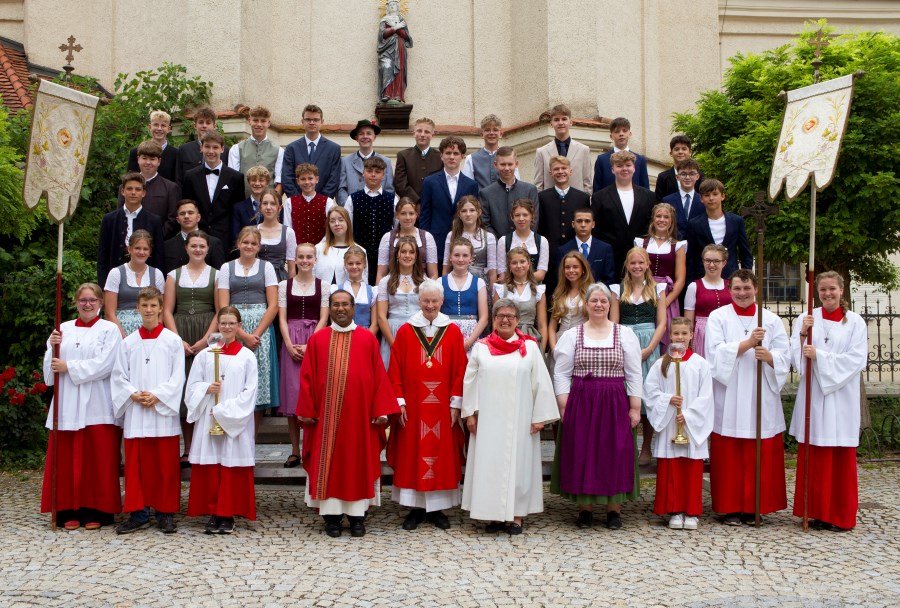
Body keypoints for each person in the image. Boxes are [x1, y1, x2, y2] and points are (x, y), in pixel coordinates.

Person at [297, 290, 400, 538]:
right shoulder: (318, 340)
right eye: (335, 305)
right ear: (329, 308)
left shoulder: (367, 339)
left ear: (354, 308)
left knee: (358, 463)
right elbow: (307, 377)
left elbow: (378, 377)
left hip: (360, 418)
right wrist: (307, 410)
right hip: (325, 418)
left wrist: (381, 410)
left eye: (345, 304)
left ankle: (357, 518)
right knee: (328, 464)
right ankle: (331, 518)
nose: (340, 309)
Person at [462, 300, 558, 534]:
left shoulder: (530, 347)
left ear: (517, 320)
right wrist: (470, 414)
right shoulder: (481, 347)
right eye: (500, 315)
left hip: (521, 417)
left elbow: (541, 382)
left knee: (520, 466)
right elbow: (470, 381)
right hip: (488, 419)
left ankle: (516, 515)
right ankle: (492, 515)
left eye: (510, 316)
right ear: (493, 319)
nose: (505, 320)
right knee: (489, 465)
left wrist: (540, 416)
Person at [552, 283, 643, 530]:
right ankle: (585, 509)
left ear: (610, 304)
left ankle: (614, 509)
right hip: (582, 399)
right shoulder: (572, 335)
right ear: (587, 304)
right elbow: (561, 373)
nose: (599, 305)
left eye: (603, 301)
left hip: (614, 399)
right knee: (584, 450)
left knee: (614, 450)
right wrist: (564, 404)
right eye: (594, 301)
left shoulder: (624, 334)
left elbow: (634, 373)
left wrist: (634, 407)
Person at [705, 270, 789, 526]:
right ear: (730, 290)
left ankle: (755, 506)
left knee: (758, 450)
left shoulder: (771, 320)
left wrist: (771, 358)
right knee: (729, 452)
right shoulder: (718, 317)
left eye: (747, 288)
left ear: (756, 289)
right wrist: (748, 343)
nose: (742, 293)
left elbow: (785, 354)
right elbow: (714, 354)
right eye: (737, 289)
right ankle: (730, 507)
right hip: (729, 394)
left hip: (759, 392)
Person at [41, 283, 123, 531]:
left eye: (92, 300)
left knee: (96, 459)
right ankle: (67, 509)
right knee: (66, 459)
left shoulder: (109, 330)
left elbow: (106, 364)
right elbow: (49, 368)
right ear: (76, 302)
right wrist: (53, 348)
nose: (87, 304)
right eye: (83, 300)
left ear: (100, 302)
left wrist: (70, 367)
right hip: (67, 402)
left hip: (97, 402)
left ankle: (95, 509)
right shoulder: (62, 329)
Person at [790, 271, 868, 531]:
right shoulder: (808, 318)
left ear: (841, 290)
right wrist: (802, 335)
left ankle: (839, 514)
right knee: (815, 454)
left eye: (832, 289)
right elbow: (795, 359)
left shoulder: (855, 322)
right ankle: (814, 512)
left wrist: (820, 356)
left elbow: (857, 359)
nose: (827, 294)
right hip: (813, 394)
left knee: (838, 456)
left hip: (840, 396)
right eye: (822, 290)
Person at [387, 279, 467, 530]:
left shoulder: (452, 331)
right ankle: (415, 508)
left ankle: (437, 509)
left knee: (441, 453)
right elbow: (395, 368)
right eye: (426, 301)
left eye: (435, 301)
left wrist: (456, 403)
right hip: (413, 406)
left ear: (442, 302)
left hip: (443, 408)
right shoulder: (406, 330)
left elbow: (460, 370)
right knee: (412, 452)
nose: (430, 305)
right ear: (419, 301)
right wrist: (399, 401)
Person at [110, 287, 186, 534]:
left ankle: (165, 512)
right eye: (145, 306)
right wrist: (132, 394)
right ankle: (138, 512)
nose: (149, 310)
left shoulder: (173, 341)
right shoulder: (128, 343)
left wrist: (159, 395)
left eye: (154, 305)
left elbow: (178, 377)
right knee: (137, 466)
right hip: (137, 411)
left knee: (165, 465)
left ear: (161, 308)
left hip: (162, 412)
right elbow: (118, 376)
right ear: (138, 309)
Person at [185, 306, 259, 534]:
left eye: (231, 323)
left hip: (233, 419)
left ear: (239, 326)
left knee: (230, 464)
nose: (227, 327)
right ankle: (214, 512)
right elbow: (191, 387)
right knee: (212, 465)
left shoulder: (246, 356)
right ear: (217, 326)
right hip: (209, 416)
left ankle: (228, 514)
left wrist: (225, 411)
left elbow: (250, 392)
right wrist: (207, 388)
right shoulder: (205, 355)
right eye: (223, 323)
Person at [644, 317, 715, 530]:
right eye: (676, 334)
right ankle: (674, 510)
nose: (680, 338)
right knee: (672, 468)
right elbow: (651, 392)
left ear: (692, 335)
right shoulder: (660, 364)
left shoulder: (700, 364)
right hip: (669, 425)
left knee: (691, 468)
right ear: (670, 336)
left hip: (690, 426)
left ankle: (692, 511)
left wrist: (690, 415)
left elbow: (706, 396)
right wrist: (667, 400)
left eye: (684, 334)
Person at [163, 229, 220, 468]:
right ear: (186, 248)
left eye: (202, 246)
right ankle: (187, 449)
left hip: (206, 330)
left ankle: (204, 445)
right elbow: (166, 310)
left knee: (206, 386)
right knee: (186, 388)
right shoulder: (174, 275)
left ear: (208, 249)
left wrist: (206, 339)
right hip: (181, 331)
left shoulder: (216, 274)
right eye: (193, 246)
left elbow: (219, 310)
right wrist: (177, 340)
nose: (198, 250)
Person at [217, 227, 280, 431]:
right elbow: (224, 306)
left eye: (253, 243)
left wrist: (255, 335)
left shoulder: (267, 267)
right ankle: (231, 428)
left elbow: (273, 305)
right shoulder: (227, 267)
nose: (249, 246)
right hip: (232, 327)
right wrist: (240, 333)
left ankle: (251, 436)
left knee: (257, 381)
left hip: (260, 330)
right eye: (245, 242)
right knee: (234, 378)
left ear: (258, 246)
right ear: (238, 244)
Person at [610, 247, 668, 466]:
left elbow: (661, 323)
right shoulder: (617, 289)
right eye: (632, 263)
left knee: (647, 394)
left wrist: (650, 348)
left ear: (647, 265)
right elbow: (614, 323)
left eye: (640, 263)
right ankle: (629, 444)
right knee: (626, 395)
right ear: (627, 264)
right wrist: (622, 349)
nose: (636, 267)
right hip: (625, 340)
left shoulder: (657, 289)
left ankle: (646, 447)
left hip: (649, 342)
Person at [278, 243, 330, 469]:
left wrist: (311, 344)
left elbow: (323, 318)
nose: (305, 260)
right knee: (292, 394)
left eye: (309, 257)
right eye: (301, 257)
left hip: (314, 340)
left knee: (314, 393)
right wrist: (289, 344)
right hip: (290, 337)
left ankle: (315, 446)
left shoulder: (324, 286)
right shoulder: (284, 285)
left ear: (315, 260)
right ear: (296, 260)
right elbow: (281, 317)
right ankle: (294, 450)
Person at [590, 150, 656, 274]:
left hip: (640, 258)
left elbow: (651, 225)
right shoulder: (600, 197)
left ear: (634, 168)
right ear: (612, 169)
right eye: (619, 166)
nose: (624, 169)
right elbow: (596, 229)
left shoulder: (649, 196)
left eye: (628, 165)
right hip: (611, 257)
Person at [97, 172, 166, 287]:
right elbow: (102, 256)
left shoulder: (154, 220)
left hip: (146, 279)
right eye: (129, 189)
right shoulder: (109, 219)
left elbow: (159, 256)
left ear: (143, 193)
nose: (133, 193)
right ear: (122, 191)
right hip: (115, 279)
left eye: (138, 189)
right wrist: (103, 286)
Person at [419, 136, 479, 262]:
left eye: (456, 153)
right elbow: (425, 214)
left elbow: (474, 216)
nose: (452, 157)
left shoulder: (471, 185)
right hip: (436, 241)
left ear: (462, 156)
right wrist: (425, 242)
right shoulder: (430, 182)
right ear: (441, 156)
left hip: (463, 242)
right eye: (448, 153)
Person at [181, 131, 246, 247]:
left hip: (225, 239)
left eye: (215, 147)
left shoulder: (236, 177)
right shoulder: (190, 176)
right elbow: (187, 206)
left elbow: (237, 211)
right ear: (201, 148)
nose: (211, 151)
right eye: (207, 147)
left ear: (222, 149)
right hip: (197, 238)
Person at [635, 203, 687, 348]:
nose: (662, 219)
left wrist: (665, 302)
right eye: (658, 216)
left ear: (671, 221)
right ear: (653, 219)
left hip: (667, 295)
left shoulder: (677, 245)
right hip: (644, 292)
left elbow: (680, 279)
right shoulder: (641, 243)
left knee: (666, 335)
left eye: (666, 217)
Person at [537, 155, 591, 292]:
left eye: (564, 168)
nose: (560, 171)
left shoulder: (582, 197)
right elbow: (540, 226)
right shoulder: (542, 197)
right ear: (551, 173)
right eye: (556, 169)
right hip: (550, 255)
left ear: (570, 171)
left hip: (574, 253)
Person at [685, 179, 753, 284]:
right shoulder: (694, 224)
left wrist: (745, 278)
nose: (711, 198)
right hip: (703, 278)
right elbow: (690, 257)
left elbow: (745, 253)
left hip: (730, 278)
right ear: (701, 199)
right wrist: (690, 283)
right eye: (707, 195)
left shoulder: (736, 221)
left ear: (722, 196)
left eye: (715, 194)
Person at [104, 229, 166, 338]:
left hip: (150, 330)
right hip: (120, 331)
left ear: (150, 251)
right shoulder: (116, 273)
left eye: (145, 249)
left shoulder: (157, 274)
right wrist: (123, 337)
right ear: (129, 249)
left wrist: (157, 332)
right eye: (137, 248)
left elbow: (161, 309)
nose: (141, 252)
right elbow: (109, 313)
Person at [348, 156, 398, 285]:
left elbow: (397, 227)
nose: (373, 175)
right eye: (369, 171)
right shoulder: (353, 199)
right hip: (359, 253)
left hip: (385, 254)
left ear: (383, 175)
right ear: (363, 173)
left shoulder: (392, 199)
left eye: (377, 172)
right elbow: (348, 228)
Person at [376, 236, 425, 368]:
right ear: (397, 254)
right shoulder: (385, 281)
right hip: (392, 331)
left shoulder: (424, 281)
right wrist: (394, 344)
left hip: (418, 331)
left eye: (411, 252)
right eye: (403, 252)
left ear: (416, 256)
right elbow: (381, 316)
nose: (407, 255)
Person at [493, 246, 548, 352]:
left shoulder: (538, 290)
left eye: (522, 261)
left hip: (529, 339)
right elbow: (495, 322)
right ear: (509, 266)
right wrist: (496, 344)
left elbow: (542, 325)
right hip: (506, 338)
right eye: (514, 263)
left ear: (529, 264)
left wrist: (541, 350)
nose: (519, 266)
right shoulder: (501, 290)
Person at [281, 104, 342, 199]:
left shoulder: (333, 149)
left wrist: (320, 201)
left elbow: (334, 180)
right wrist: (298, 200)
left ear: (322, 121)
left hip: (323, 205)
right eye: (308, 119)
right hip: (297, 204)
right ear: (302, 121)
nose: (312, 122)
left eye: (316, 120)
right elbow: (287, 178)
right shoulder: (291, 148)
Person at [124, 140, 181, 238]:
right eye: (144, 158)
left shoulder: (170, 188)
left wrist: (156, 238)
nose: (148, 162)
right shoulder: (126, 186)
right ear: (138, 159)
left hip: (159, 243)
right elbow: (121, 214)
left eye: (152, 159)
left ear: (159, 161)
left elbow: (173, 220)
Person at [683, 244, 732, 358]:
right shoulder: (694, 286)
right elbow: (688, 321)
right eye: (708, 261)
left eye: (716, 261)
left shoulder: (731, 286)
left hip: (727, 330)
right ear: (703, 261)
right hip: (703, 334)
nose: (711, 265)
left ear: (724, 263)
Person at [376, 198, 438, 285]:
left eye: (411, 213)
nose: (408, 217)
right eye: (403, 213)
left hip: (421, 287)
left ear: (417, 214)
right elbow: (381, 273)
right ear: (397, 215)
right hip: (393, 287)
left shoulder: (427, 237)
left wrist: (430, 291)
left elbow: (433, 274)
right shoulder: (387, 238)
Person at [480, 147, 539, 239]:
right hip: (498, 246)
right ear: (495, 165)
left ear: (516, 164)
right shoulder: (486, 193)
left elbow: (534, 219)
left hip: (525, 245)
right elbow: (485, 223)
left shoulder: (530, 190)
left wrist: (522, 240)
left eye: (510, 164)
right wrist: (501, 243)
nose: (507, 168)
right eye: (503, 164)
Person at [441, 238, 489, 350]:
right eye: (456, 255)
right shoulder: (440, 282)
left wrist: (468, 343)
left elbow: (484, 318)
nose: (461, 259)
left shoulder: (479, 282)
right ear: (450, 257)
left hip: (472, 335)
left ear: (471, 258)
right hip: (446, 333)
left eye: (465, 255)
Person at [533, 104, 593, 192]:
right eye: (556, 120)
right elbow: (538, 185)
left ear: (570, 122)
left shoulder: (583, 150)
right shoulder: (542, 152)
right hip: (550, 203)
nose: (561, 123)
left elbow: (587, 183)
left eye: (564, 119)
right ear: (551, 124)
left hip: (577, 203)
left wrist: (586, 204)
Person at [442, 195, 497, 292]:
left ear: (479, 212)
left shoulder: (488, 237)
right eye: (464, 211)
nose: (468, 214)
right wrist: (444, 290)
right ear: (459, 214)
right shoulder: (452, 235)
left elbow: (492, 272)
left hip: (480, 286)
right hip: (455, 284)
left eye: (472, 210)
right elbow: (446, 267)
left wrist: (493, 295)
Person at [227, 105, 284, 196]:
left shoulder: (279, 151)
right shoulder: (236, 149)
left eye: (263, 121)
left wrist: (272, 202)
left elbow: (279, 181)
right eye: (255, 120)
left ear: (268, 123)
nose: (259, 124)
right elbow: (232, 179)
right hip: (243, 202)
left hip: (269, 205)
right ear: (250, 121)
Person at [547, 251, 591, 366]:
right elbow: (552, 326)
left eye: (575, 267)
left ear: (583, 269)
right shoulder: (559, 293)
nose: (571, 270)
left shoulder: (591, 292)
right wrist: (554, 348)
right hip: (561, 341)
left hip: (583, 341)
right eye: (567, 267)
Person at [338, 119, 394, 205]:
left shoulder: (386, 161)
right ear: (356, 138)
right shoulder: (345, 161)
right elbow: (341, 189)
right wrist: (349, 208)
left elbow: (389, 189)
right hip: (352, 211)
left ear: (374, 137)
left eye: (369, 133)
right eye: (361, 134)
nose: (365, 136)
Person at [557, 208, 616, 287]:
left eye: (587, 221)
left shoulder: (605, 249)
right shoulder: (563, 250)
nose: (583, 225)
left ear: (593, 224)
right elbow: (561, 279)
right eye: (579, 221)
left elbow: (609, 279)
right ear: (573, 224)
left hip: (598, 296)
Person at [164, 200, 226, 273]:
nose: (186, 216)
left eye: (190, 213)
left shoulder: (214, 243)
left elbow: (220, 275)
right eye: (182, 213)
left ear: (198, 217)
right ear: (177, 219)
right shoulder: (167, 245)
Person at [283, 163, 338, 246]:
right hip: (297, 251)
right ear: (298, 181)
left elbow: (330, 229)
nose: (307, 182)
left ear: (317, 179)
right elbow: (288, 229)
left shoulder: (327, 202)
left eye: (310, 178)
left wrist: (320, 247)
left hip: (321, 250)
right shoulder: (289, 202)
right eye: (303, 179)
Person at [496, 198, 549, 284]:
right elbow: (502, 273)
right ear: (512, 217)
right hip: (511, 290)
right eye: (517, 215)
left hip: (534, 290)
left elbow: (541, 274)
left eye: (525, 215)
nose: (521, 219)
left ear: (532, 216)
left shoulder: (542, 241)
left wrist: (519, 278)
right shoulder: (503, 241)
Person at [592, 117, 650, 191]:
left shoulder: (640, 160)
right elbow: (597, 189)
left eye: (624, 131)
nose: (621, 134)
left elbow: (645, 189)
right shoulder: (602, 160)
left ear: (630, 134)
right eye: (617, 131)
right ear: (611, 136)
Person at [393, 117, 443, 202]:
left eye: (427, 132)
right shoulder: (403, 155)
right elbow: (400, 184)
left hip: (434, 204)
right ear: (414, 133)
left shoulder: (440, 157)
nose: (422, 134)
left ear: (432, 136)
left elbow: (442, 183)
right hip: (410, 206)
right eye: (419, 131)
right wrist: (416, 202)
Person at [463, 115, 519, 189]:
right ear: (482, 134)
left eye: (495, 130)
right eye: (487, 130)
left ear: (500, 134)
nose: (491, 133)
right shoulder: (471, 159)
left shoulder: (509, 157)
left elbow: (517, 184)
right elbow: (467, 187)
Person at [176, 106, 230, 182]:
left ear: (214, 126)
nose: (204, 126)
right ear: (195, 125)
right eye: (201, 122)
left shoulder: (224, 150)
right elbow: (179, 178)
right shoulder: (184, 149)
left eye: (208, 123)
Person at [334, 245, 379, 334]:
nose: (354, 267)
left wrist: (365, 340)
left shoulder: (372, 291)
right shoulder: (336, 289)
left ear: (364, 264)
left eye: (358, 263)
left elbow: (375, 323)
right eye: (350, 263)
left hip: (365, 336)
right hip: (342, 334)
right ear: (345, 265)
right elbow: (333, 320)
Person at [314, 206, 362, 287]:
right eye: (332, 221)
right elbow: (311, 276)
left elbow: (363, 282)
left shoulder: (360, 250)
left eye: (341, 220)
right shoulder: (318, 249)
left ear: (347, 222)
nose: (337, 224)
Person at [256, 188, 297, 282]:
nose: (268, 207)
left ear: (279, 208)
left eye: (273, 203)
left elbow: (291, 267)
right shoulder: (254, 230)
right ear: (260, 207)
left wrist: (291, 290)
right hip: (257, 279)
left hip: (279, 279)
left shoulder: (288, 232)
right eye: (265, 203)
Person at [127, 110, 178, 182]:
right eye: (156, 125)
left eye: (163, 125)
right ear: (150, 127)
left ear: (168, 129)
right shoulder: (136, 152)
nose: (159, 129)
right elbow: (130, 180)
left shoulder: (176, 154)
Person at [378, 0, 413, 103]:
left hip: (399, 46)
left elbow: (406, 36)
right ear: (387, 8)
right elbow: (382, 35)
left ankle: (398, 95)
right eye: (391, 5)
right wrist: (396, 27)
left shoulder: (401, 20)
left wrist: (394, 26)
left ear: (398, 7)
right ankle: (387, 94)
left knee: (399, 70)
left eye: (394, 4)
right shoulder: (384, 20)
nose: (393, 6)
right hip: (387, 48)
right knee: (387, 67)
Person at [662, 158, 704, 239]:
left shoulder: (703, 200)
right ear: (677, 177)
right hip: (674, 244)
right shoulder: (667, 200)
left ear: (697, 176)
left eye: (692, 174)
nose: (687, 177)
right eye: (683, 174)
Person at [655, 135, 703, 201]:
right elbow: (658, 201)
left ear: (690, 152)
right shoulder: (663, 177)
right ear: (671, 153)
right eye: (676, 149)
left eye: (684, 149)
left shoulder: (700, 176)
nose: (680, 152)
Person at [231, 165, 270, 240]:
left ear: (267, 183)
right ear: (248, 182)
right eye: (253, 180)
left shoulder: (274, 207)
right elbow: (235, 236)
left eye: (261, 180)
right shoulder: (238, 208)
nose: (257, 183)